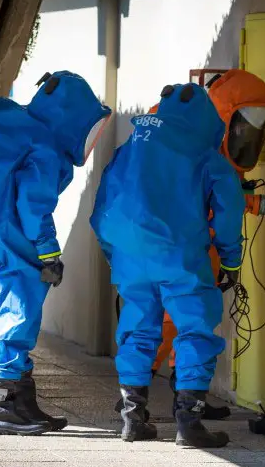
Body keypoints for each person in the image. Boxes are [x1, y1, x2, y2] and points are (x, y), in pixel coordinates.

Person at [0, 71, 111, 436]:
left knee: (6, 291)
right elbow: (33, 206)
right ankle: (5, 404)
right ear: (73, 118)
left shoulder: (8, 117)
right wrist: (48, 254)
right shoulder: (44, 144)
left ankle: (22, 401)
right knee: (23, 294)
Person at [112, 69, 265, 422]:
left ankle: (142, 404)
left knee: (156, 320)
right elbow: (213, 200)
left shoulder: (162, 137)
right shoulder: (202, 145)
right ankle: (179, 408)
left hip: (149, 247)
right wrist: (236, 249)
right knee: (180, 322)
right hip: (187, 249)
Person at [91, 82, 245, 448]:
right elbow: (229, 208)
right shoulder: (205, 155)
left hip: (130, 257)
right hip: (180, 256)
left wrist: (115, 254)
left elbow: (103, 207)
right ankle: (189, 423)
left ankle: (132, 419)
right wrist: (230, 260)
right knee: (194, 328)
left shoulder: (129, 148)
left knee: (137, 328)